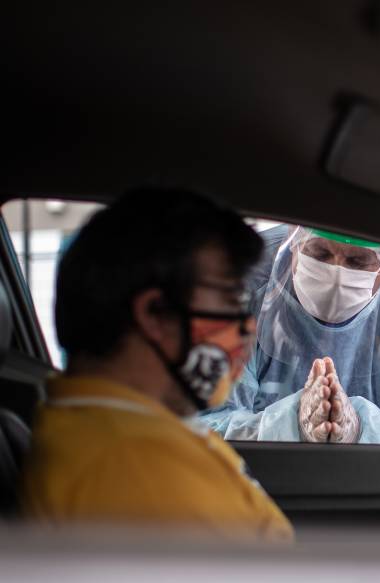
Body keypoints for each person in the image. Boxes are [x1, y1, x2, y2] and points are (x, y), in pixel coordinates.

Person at [21, 188, 293, 542]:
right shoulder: (133, 465)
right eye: (231, 300)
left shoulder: (127, 431)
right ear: (154, 313)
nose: (246, 326)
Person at [199, 225, 380, 445]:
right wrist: (291, 424)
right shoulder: (242, 278)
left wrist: (359, 428)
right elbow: (197, 425)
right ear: (294, 238)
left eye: (358, 261)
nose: (336, 274)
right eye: (320, 253)